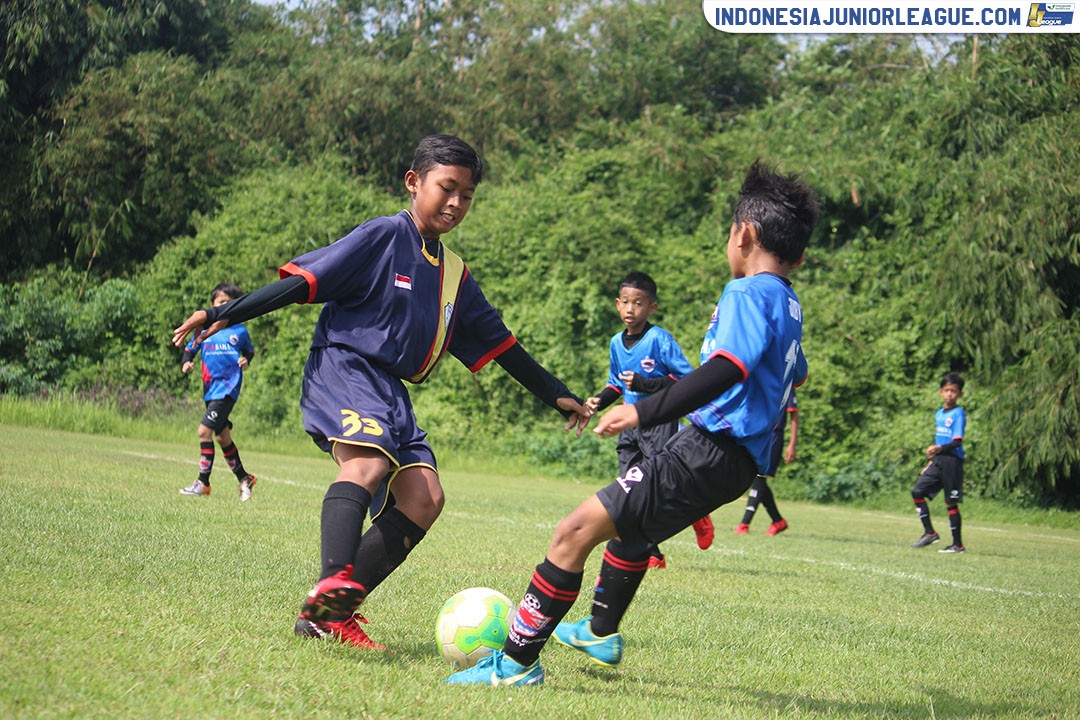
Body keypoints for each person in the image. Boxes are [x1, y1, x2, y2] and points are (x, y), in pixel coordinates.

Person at [171, 135, 592, 650]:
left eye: (467, 195)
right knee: (366, 466)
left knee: (424, 498)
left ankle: (329, 616)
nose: (456, 203)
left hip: (390, 390)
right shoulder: (382, 237)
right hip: (344, 366)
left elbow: (502, 344)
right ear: (414, 183)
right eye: (447, 188)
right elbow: (303, 283)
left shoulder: (454, 276)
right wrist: (221, 314)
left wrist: (555, 393)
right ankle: (331, 582)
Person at [446, 159, 819, 686]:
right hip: (731, 460)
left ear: (745, 234)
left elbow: (727, 367)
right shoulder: (788, 304)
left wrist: (643, 409)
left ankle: (513, 667)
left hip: (710, 449)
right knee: (627, 534)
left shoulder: (747, 293)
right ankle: (599, 630)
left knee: (572, 532)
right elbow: (794, 375)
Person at [584, 271, 713, 569]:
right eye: (626, 303)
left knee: (660, 485)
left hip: (658, 421)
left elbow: (686, 379)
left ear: (651, 307)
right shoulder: (616, 342)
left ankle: (696, 514)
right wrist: (599, 401)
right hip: (628, 427)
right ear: (617, 304)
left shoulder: (659, 340)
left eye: (638, 303)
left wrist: (647, 384)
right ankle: (650, 552)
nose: (631, 310)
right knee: (629, 488)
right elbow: (616, 383)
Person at [178, 282, 258, 502]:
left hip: (228, 388)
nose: (225, 306)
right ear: (212, 305)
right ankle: (245, 478)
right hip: (210, 389)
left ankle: (203, 483)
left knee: (204, 432)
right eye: (221, 302)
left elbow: (249, 352)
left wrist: (245, 359)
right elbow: (190, 349)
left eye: (230, 303)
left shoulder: (239, 331)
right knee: (222, 437)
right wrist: (186, 362)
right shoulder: (205, 329)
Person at [910, 372, 967, 553]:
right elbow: (940, 441)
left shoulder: (958, 413)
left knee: (950, 502)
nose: (950, 394)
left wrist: (938, 449)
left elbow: (957, 441)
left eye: (954, 391)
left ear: (960, 394)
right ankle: (930, 533)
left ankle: (957, 545)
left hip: (952, 462)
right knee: (917, 491)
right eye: (946, 390)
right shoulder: (939, 414)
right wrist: (932, 460)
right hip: (939, 460)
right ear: (940, 392)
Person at [734, 390, 798, 535]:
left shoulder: (787, 384)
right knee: (755, 477)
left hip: (774, 437)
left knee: (759, 478)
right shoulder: (766, 379)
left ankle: (744, 524)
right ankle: (778, 521)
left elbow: (794, 413)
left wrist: (792, 444)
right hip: (759, 434)